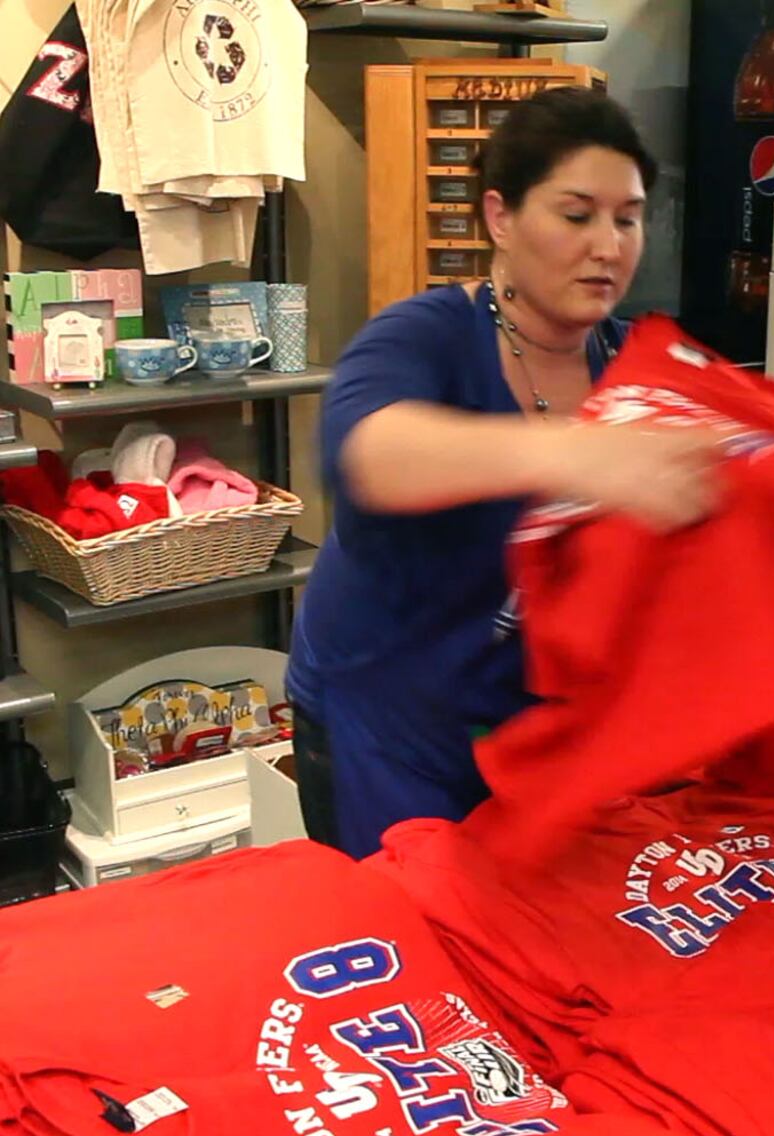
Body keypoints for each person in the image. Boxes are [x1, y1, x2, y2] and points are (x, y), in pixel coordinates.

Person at [286, 89, 723, 858]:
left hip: (533, 725)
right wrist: (567, 452)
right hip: (386, 722)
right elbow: (366, 454)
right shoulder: (423, 336)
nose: (610, 246)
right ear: (499, 217)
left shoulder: (638, 364)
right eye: (577, 214)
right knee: (420, 946)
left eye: (628, 218)